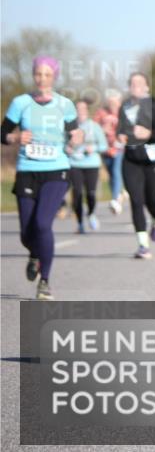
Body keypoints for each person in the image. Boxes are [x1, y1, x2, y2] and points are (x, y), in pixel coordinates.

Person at [2, 56, 82, 299]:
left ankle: (45, 281)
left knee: (42, 224)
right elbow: (2, 133)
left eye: (47, 75)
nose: (42, 79)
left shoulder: (65, 104)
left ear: (54, 77)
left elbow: (74, 132)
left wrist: (77, 137)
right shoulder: (21, 103)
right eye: (38, 74)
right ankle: (35, 254)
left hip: (57, 170)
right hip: (27, 170)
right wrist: (15, 138)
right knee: (26, 233)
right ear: (33, 75)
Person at [118, 72, 155, 259]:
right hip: (131, 160)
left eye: (140, 83)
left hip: (153, 159)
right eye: (132, 83)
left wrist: (148, 134)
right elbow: (121, 129)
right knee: (136, 201)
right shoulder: (124, 107)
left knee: (152, 200)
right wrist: (121, 135)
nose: (136, 86)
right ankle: (143, 245)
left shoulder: (154, 106)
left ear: (147, 87)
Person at [66, 99, 107, 234]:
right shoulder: (68, 127)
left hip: (91, 164)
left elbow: (104, 146)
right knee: (77, 193)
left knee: (91, 193)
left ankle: (91, 213)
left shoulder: (94, 127)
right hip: (74, 163)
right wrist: (66, 148)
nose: (80, 112)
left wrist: (93, 148)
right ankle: (79, 223)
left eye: (83, 109)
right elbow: (60, 143)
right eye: (77, 110)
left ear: (87, 111)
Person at [93, 90, 126, 214]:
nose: (113, 105)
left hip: (119, 147)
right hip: (105, 148)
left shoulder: (123, 113)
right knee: (111, 174)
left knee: (116, 171)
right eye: (110, 102)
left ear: (119, 102)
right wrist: (102, 129)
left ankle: (115, 200)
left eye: (115, 102)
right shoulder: (101, 113)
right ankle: (119, 194)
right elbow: (94, 128)